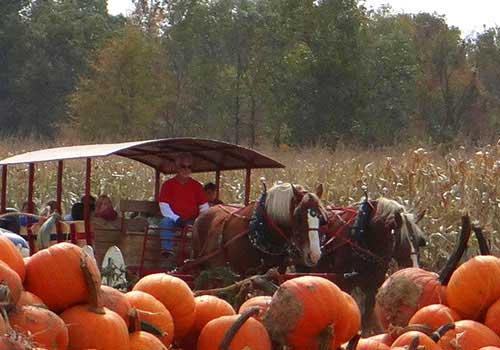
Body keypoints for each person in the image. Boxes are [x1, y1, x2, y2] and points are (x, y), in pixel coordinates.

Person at [159, 153, 209, 256]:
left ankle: (201, 254)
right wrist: (177, 219)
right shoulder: (168, 185)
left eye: (189, 167)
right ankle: (167, 251)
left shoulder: (197, 186)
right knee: (165, 222)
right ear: (177, 167)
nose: (186, 169)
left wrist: (201, 220)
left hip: (192, 221)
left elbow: (204, 207)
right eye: (183, 166)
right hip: (174, 220)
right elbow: (164, 206)